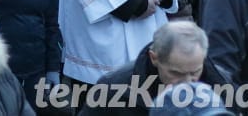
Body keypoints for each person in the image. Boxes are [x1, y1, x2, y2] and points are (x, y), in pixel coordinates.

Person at [80, 22, 229, 116]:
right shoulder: (113, 88)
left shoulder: (222, 85)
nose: (187, 82)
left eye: (195, 72)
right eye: (176, 73)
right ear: (154, 58)